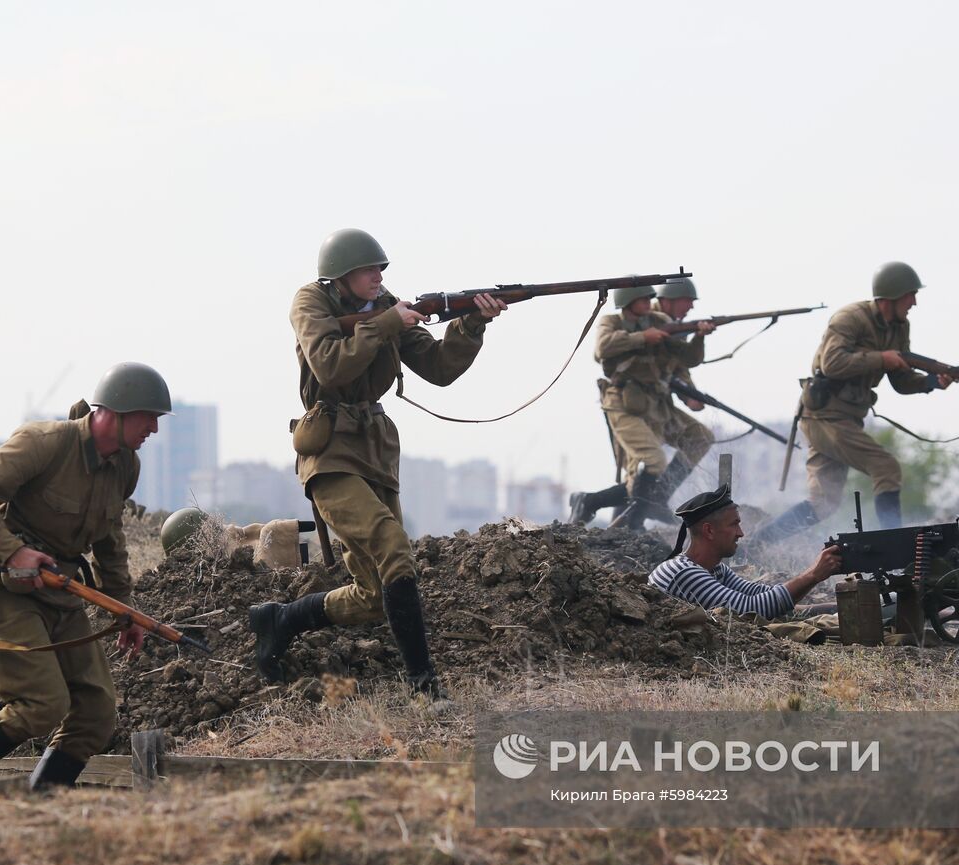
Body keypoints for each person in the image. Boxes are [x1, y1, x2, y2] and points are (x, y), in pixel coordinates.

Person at [247, 228, 504, 705]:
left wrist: (471, 324)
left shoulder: (388, 304)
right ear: (342, 273)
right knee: (393, 547)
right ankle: (425, 687)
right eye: (370, 269)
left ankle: (281, 620)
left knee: (371, 595)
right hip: (330, 452)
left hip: (375, 451)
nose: (379, 276)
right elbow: (330, 366)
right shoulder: (311, 302)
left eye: (382, 269)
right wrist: (385, 323)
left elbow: (440, 368)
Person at [0, 362, 171, 798]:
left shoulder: (126, 466)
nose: (153, 428)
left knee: (96, 712)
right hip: (4, 586)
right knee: (41, 705)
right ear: (117, 410)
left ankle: (41, 806)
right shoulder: (45, 443)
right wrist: (13, 550)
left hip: (60, 591)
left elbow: (110, 538)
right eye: (149, 416)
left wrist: (123, 609)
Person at [757, 261, 952, 543]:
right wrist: (881, 358)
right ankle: (894, 544)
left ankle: (759, 543)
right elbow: (832, 363)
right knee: (886, 468)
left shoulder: (899, 327)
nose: (914, 302)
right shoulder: (849, 318)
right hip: (824, 416)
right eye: (910, 295)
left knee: (823, 503)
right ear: (892, 296)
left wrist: (932, 382)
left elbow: (901, 380)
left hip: (846, 420)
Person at [568, 278, 715, 529]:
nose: (650, 303)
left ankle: (650, 499)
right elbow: (602, 348)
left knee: (698, 437)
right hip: (625, 404)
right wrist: (642, 338)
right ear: (628, 302)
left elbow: (685, 360)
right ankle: (628, 521)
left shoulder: (661, 324)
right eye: (645, 299)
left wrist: (699, 337)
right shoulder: (612, 323)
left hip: (657, 404)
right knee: (648, 465)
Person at [650, 486, 842, 617]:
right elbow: (751, 609)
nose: (741, 533)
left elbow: (761, 594)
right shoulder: (683, 572)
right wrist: (814, 574)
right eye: (734, 525)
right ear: (709, 530)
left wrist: (833, 608)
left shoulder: (715, 569)